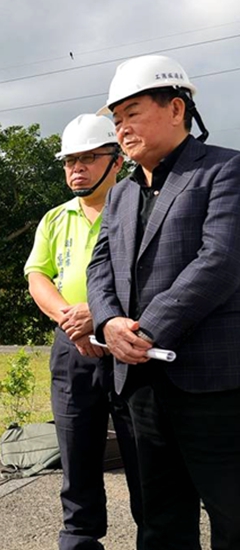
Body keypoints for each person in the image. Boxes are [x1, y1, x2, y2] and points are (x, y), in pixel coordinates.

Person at [87, 54, 240, 549]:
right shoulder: (120, 194)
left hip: (213, 384)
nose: (122, 128)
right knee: (159, 519)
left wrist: (146, 329)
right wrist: (108, 322)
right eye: (116, 119)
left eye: (132, 113)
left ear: (176, 109)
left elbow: (219, 262)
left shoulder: (225, 170)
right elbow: (99, 268)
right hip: (140, 386)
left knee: (232, 513)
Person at [25, 114, 143, 550]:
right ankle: (78, 537)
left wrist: (100, 313)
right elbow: (38, 275)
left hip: (129, 344)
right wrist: (68, 318)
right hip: (71, 348)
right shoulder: (55, 219)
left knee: (142, 452)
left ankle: (154, 532)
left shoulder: (137, 209)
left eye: (90, 158)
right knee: (76, 449)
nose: (77, 168)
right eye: (70, 160)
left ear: (116, 162)